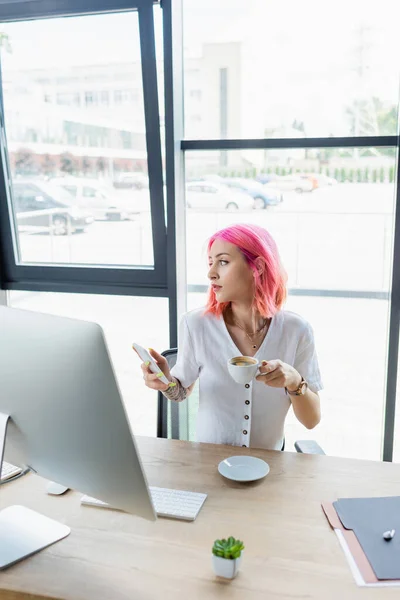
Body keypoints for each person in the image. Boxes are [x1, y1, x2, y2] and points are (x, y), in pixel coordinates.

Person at [140, 223, 322, 450]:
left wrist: (294, 380)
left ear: (258, 266)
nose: (211, 273)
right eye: (210, 262)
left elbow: (311, 420)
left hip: (269, 466)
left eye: (223, 261)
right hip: (208, 462)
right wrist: (165, 382)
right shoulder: (196, 324)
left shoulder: (297, 331)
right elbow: (180, 392)